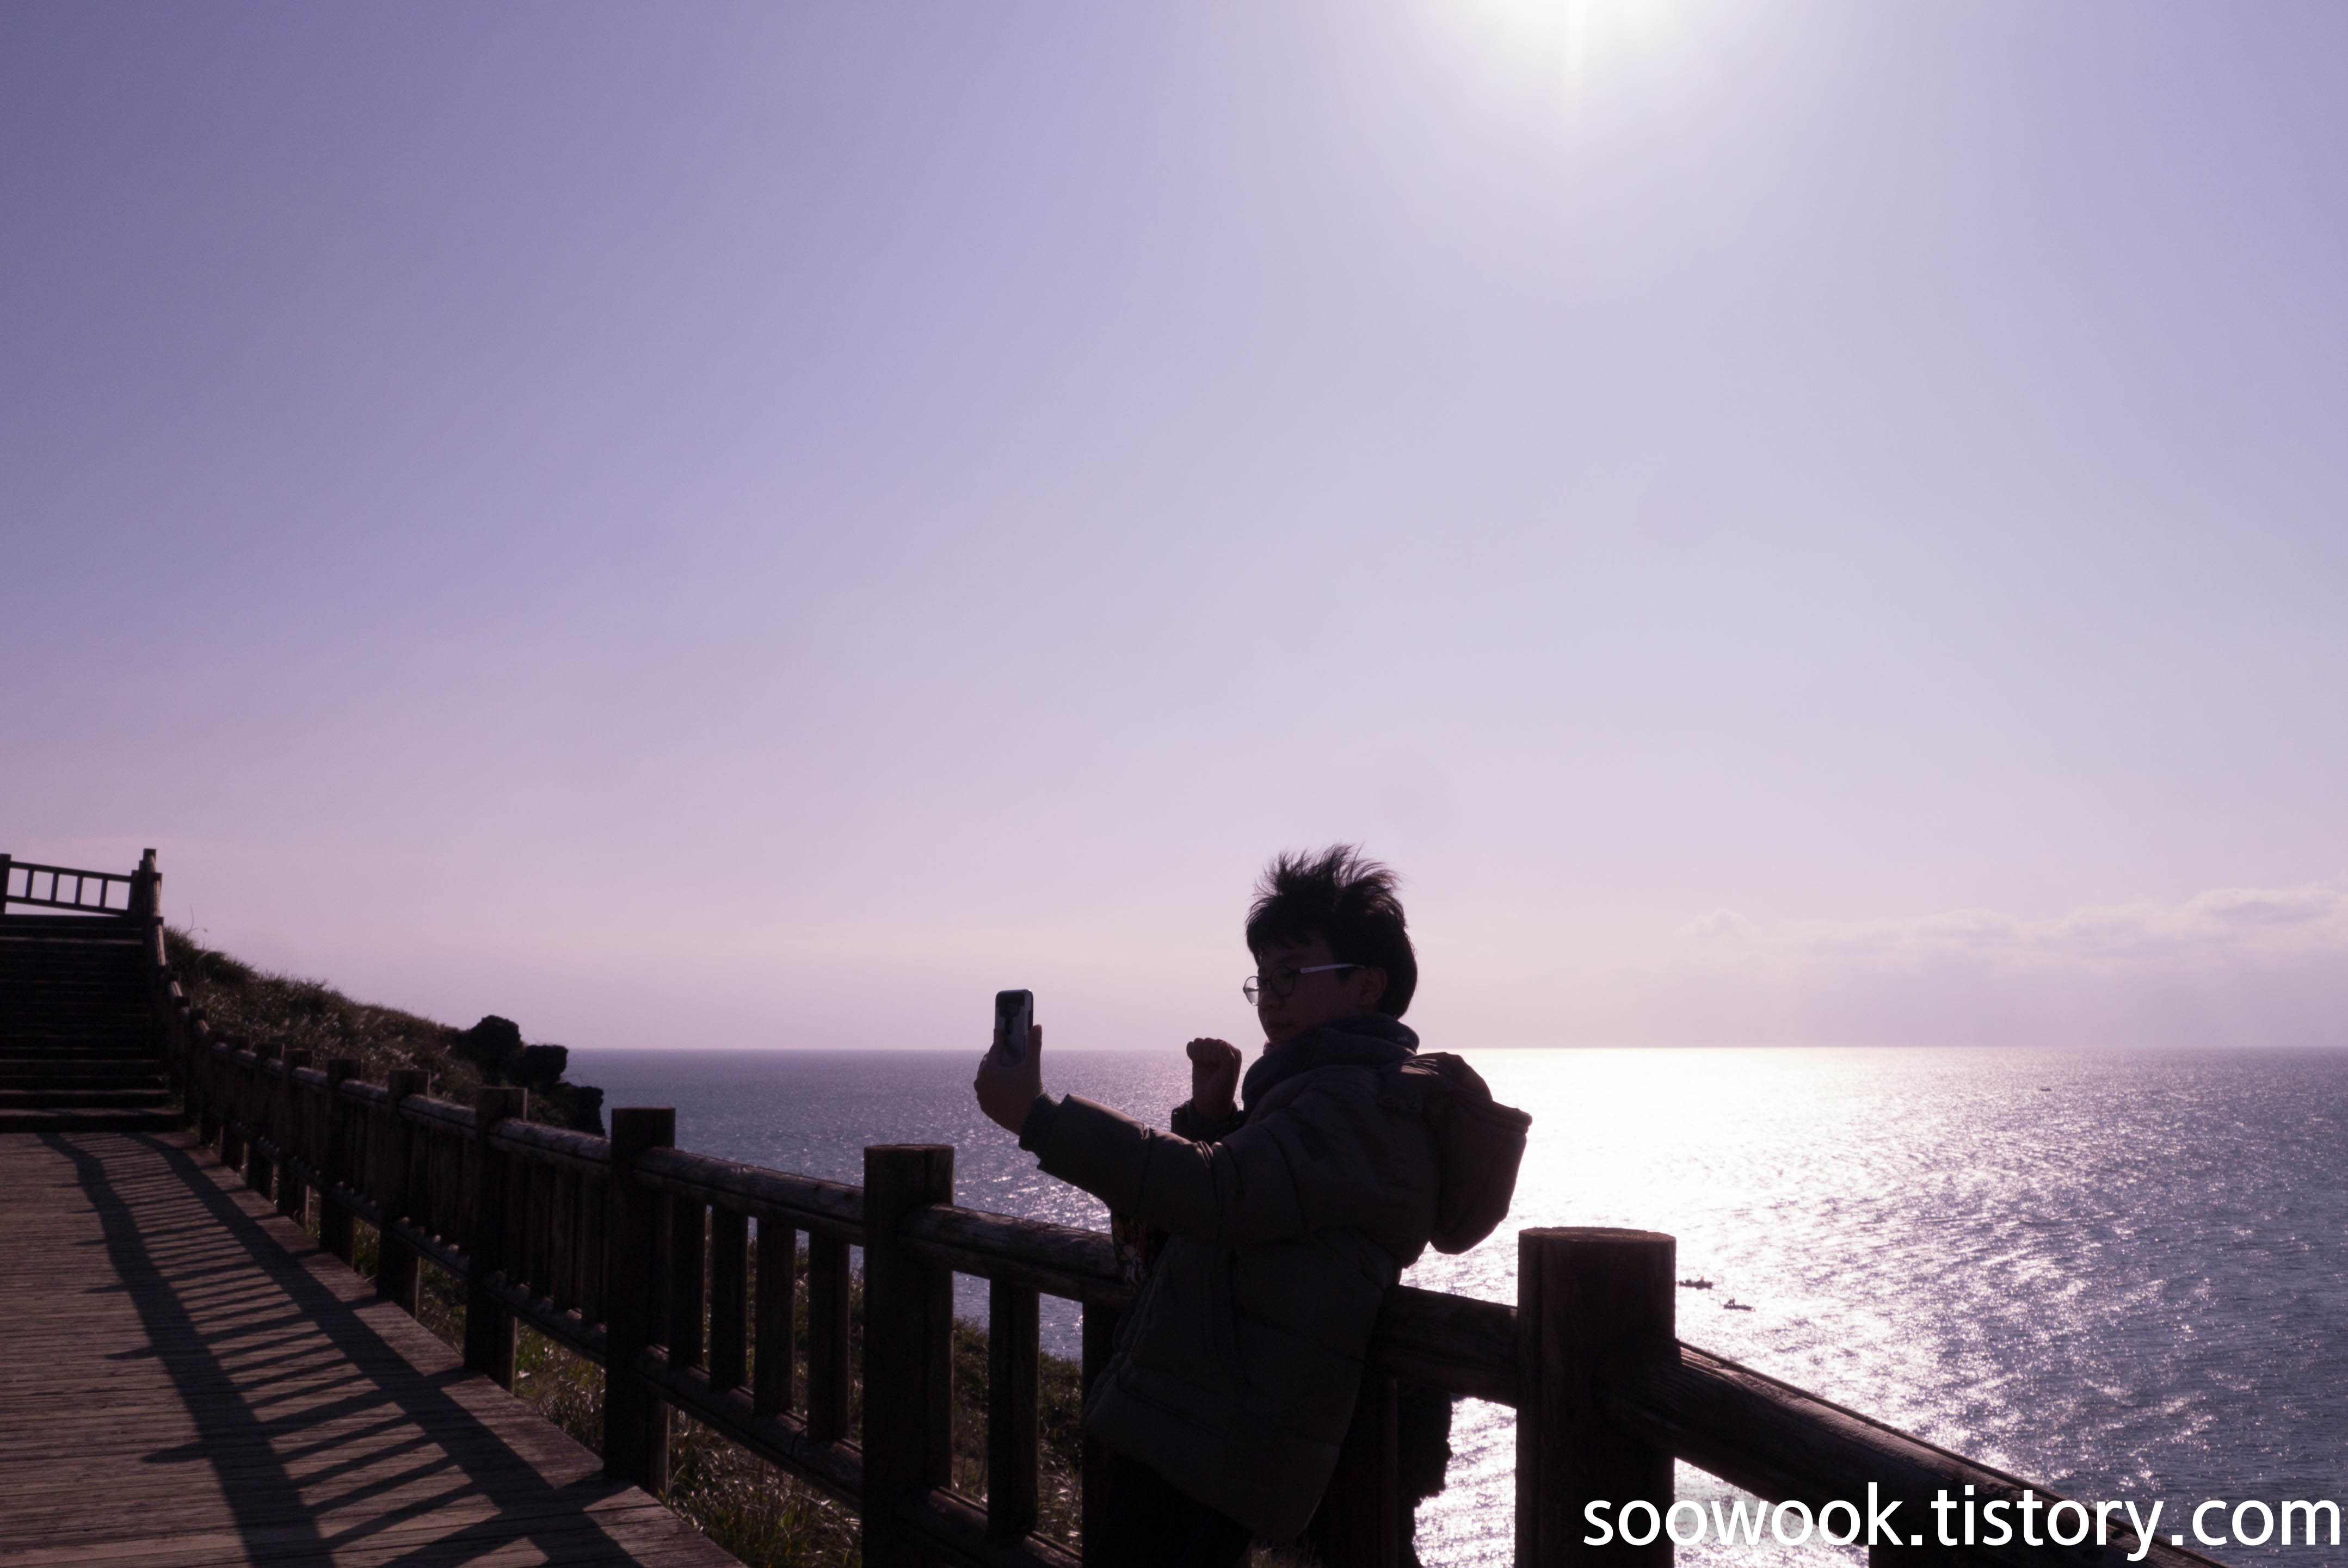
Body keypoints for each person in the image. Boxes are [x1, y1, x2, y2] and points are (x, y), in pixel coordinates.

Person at [972, 845, 1529, 1567]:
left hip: (1229, 1440)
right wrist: (1213, 1120)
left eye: (1291, 974)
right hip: (1213, 1425)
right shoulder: (1331, 1091)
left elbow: (1221, 1193)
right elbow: (1263, 1200)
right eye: (1262, 978)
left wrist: (1040, 1118)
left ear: (1368, 985)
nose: (1270, 996)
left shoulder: (1363, 1103)